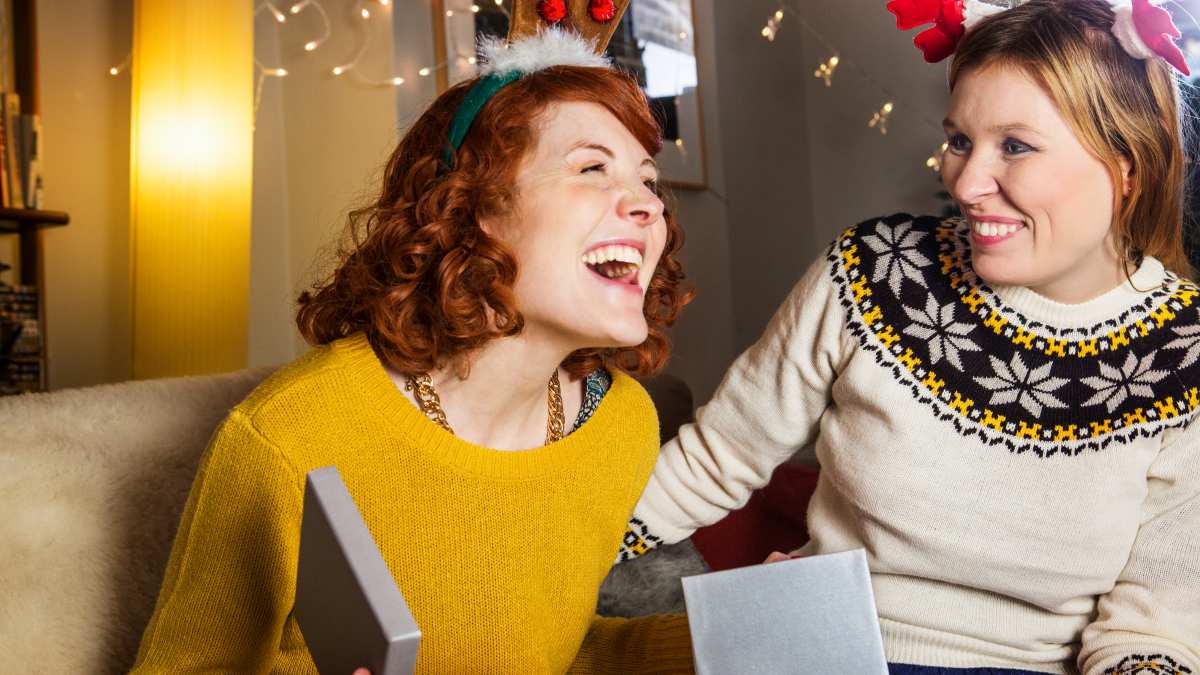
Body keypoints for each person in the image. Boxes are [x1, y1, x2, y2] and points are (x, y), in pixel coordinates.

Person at [619, 1, 1199, 673]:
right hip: (827, 652)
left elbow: (1156, 619)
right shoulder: (874, 268)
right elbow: (718, 456)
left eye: (1015, 146)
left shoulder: (1185, 350)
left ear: (1128, 167)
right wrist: (560, 558)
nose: (967, 181)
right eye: (959, 140)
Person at [129, 7, 696, 672]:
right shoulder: (289, 436)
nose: (648, 205)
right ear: (470, 206)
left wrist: (728, 638)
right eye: (593, 169)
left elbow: (555, 653)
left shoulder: (621, 426)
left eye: (648, 181)